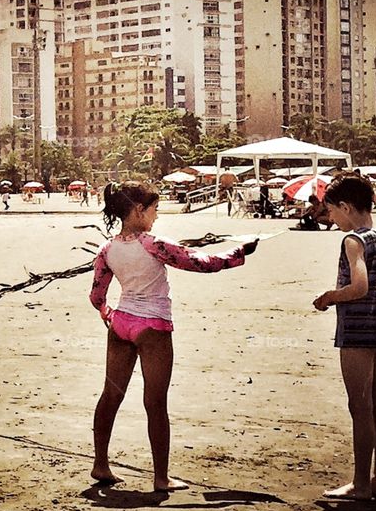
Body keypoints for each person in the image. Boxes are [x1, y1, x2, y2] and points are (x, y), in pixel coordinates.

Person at [89, 180, 259, 492]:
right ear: (139, 210)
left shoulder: (108, 249)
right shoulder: (154, 244)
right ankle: (161, 478)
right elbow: (199, 262)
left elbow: (97, 295)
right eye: (153, 209)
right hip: (152, 327)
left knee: (111, 395)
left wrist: (109, 314)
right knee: (155, 402)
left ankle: (100, 464)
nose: (156, 215)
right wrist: (238, 252)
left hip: (122, 325)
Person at [313, 171, 376, 501]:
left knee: (359, 407)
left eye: (332, 211)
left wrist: (330, 297)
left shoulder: (354, 240)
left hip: (358, 332)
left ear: (346, 207)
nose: (331, 219)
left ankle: (360, 484)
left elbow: (360, 286)